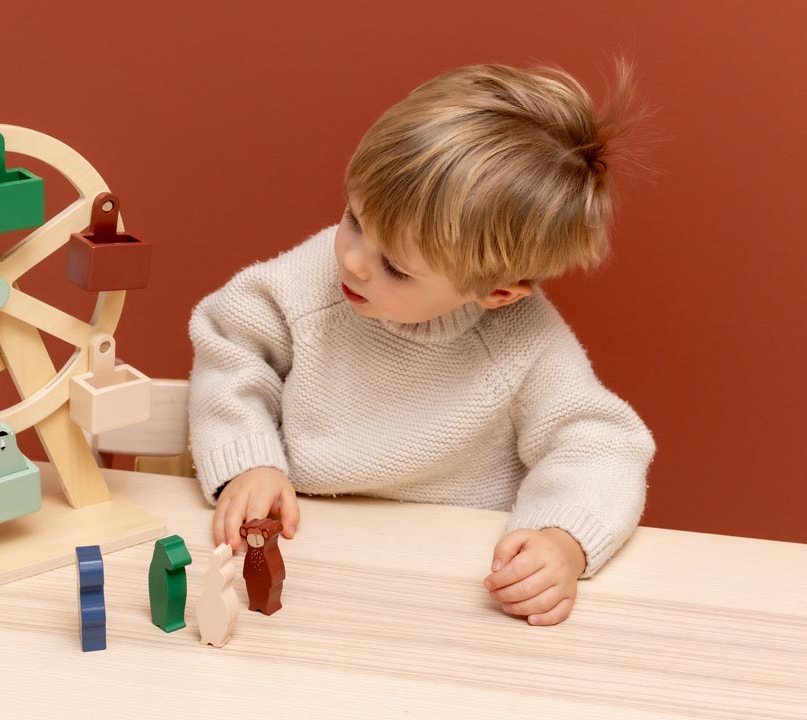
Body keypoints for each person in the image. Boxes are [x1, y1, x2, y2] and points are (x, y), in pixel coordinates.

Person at [187, 61, 656, 626]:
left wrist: (563, 538)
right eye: (354, 218)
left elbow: (601, 445)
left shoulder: (522, 343)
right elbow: (230, 341)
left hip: (451, 581)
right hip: (309, 549)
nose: (353, 261)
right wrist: (250, 463)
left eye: (397, 268)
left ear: (497, 293)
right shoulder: (311, 283)